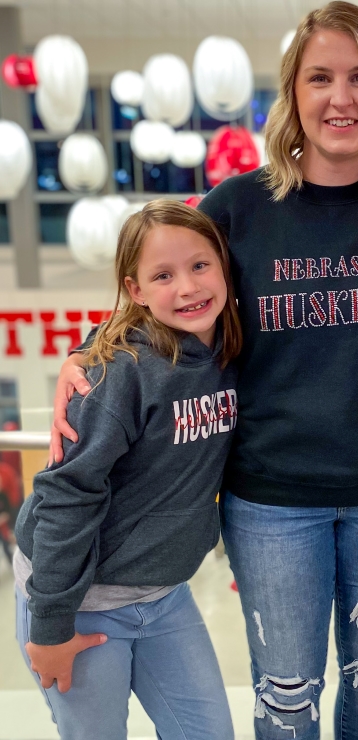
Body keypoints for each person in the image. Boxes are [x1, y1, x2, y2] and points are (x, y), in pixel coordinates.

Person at [50, 1, 358, 740]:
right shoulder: (237, 207)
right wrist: (88, 348)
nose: (340, 97)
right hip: (272, 504)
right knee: (286, 695)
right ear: (292, 93)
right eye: (319, 77)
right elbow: (163, 283)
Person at [16, 200, 241, 740]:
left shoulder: (230, 349)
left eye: (200, 266)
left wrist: (84, 346)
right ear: (135, 290)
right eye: (163, 275)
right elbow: (67, 495)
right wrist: (51, 626)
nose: (187, 287)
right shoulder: (121, 374)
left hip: (164, 595)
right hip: (79, 601)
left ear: (226, 267)